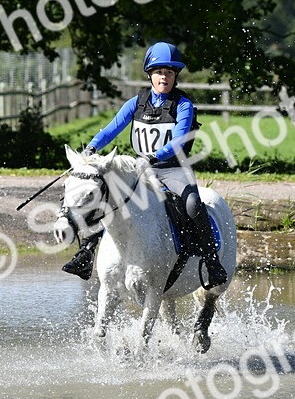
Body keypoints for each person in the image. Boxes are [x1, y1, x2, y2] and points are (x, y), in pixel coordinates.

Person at [62, 41, 228, 289]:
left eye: (170, 73)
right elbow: (111, 129)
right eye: (160, 72)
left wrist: (153, 157)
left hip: (173, 169)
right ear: (150, 74)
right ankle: (86, 253)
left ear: (175, 77)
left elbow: (180, 139)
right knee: (106, 195)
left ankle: (212, 261)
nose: (165, 77)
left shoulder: (183, 105)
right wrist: (92, 147)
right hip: (141, 168)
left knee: (193, 204)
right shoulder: (136, 103)